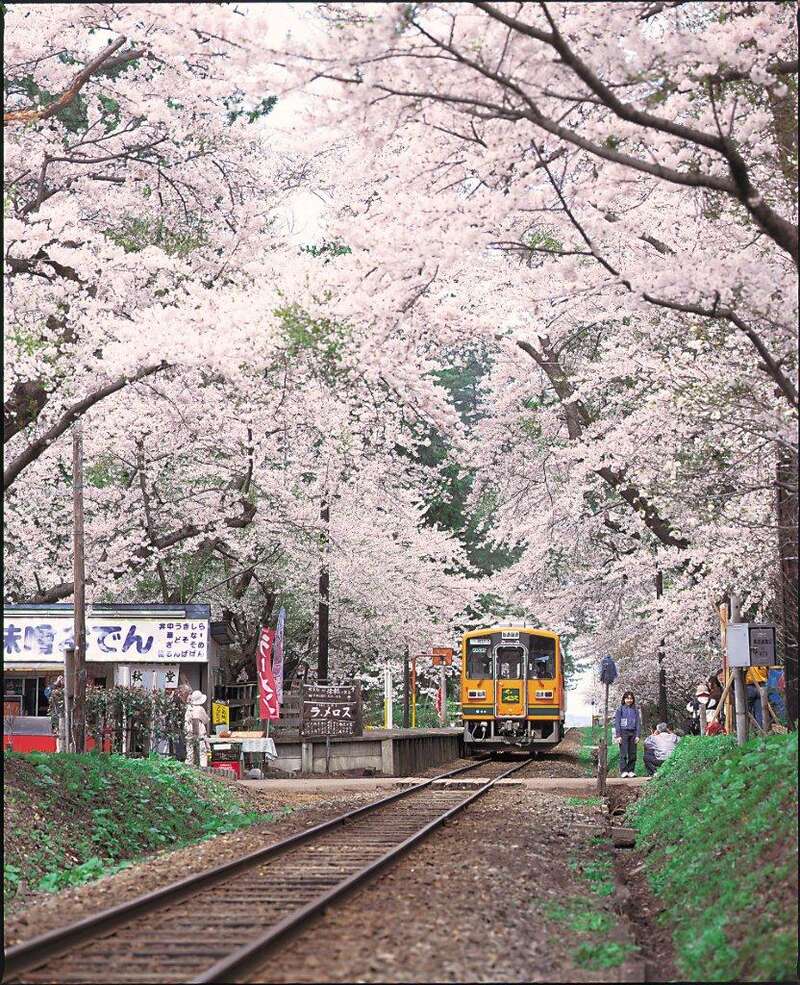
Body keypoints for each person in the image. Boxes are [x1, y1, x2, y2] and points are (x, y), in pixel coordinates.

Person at [613, 690, 641, 777]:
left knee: (633, 753)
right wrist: (618, 735)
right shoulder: (620, 709)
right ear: (624, 699)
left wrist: (637, 735)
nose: (629, 700)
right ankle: (624, 771)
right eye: (627, 698)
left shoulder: (635, 710)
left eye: (631, 698)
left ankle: (631, 770)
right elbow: (617, 723)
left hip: (633, 733)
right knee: (623, 753)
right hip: (623, 732)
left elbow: (638, 723)